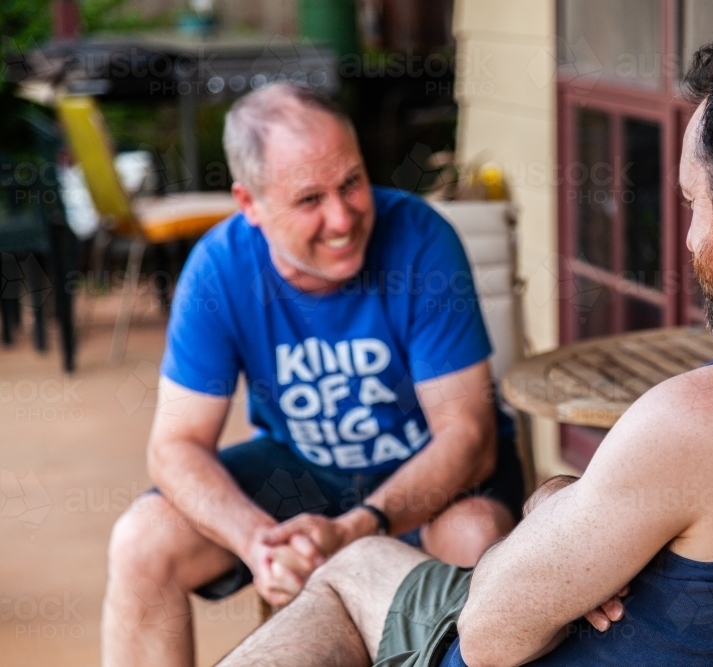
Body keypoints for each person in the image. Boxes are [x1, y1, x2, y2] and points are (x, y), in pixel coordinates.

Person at [215, 15, 713, 667]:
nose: (693, 236)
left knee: (351, 572)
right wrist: (561, 507)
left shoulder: (705, 420)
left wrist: (554, 523)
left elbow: (487, 633)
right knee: (383, 556)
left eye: (694, 202)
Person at [101, 83, 524, 667]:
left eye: (351, 182)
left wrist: (357, 530)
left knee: (473, 540)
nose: (342, 217)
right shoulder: (219, 269)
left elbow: (468, 438)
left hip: (431, 471)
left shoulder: (422, 240)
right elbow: (175, 446)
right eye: (309, 200)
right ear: (249, 204)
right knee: (142, 541)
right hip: (301, 469)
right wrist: (256, 541)